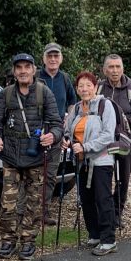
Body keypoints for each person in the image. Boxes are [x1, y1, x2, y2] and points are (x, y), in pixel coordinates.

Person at [0, 53, 63, 260]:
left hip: (35, 156)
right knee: (8, 202)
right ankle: (8, 240)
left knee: (34, 202)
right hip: (11, 156)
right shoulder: (6, 94)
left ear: (33, 70)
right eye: (18, 67)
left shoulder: (44, 92)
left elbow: (57, 124)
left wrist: (52, 136)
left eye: (26, 67)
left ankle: (28, 240)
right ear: (14, 71)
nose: (22, 71)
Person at [62, 71, 119, 255]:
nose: (84, 89)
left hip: (101, 160)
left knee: (103, 198)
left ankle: (108, 239)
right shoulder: (77, 108)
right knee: (86, 199)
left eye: (88, 85)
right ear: (77, 89)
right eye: (80, 86)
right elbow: (68, 130)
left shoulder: (105, 105)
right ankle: (94, 234)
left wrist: (85, 147)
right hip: (81, 161)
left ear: (95, 87)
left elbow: (108, 135)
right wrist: (66, 139)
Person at [97, 54, 131, 227]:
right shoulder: (98, 88)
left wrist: (121, 121)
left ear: (122, 68)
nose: (115, 70)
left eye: (118, 66)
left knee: (122, 179)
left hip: (124, 141)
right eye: (111, 67)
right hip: (102, 142)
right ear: (105, 70)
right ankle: (104, 213)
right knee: (102, 177)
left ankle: (117, 213)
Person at [37, 42, 77, 226]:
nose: (53, 59)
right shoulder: (36, 76)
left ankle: (43, 211)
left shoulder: (65, 78)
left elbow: (72, 102)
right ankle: (29, 211)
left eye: (56, 56)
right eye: (49, 56)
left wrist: (66, 122)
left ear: (60, 58)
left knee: (50, 173)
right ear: (44, 58)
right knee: (33, 172)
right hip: (35, 131)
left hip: (57, 131)